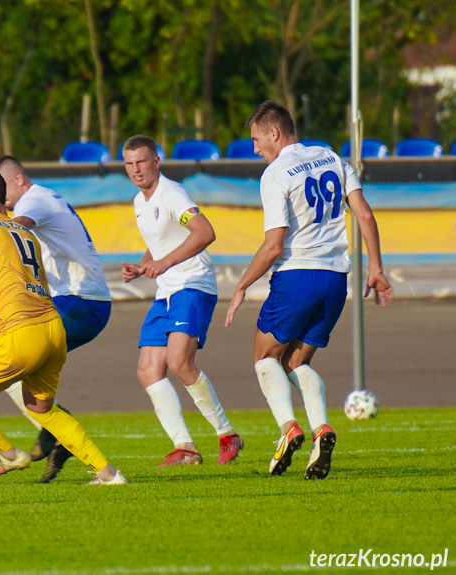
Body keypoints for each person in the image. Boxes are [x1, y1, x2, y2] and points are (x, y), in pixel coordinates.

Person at [225, 100, 394, 480]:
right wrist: (377, 269)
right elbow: (364, 214)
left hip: (297, 275)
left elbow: (273, 246)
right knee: (297, 362)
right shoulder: (332, 158)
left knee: (264, 356)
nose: (254, 149)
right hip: (336, 279)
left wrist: (240, 285)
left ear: (274, 132)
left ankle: (289, 428)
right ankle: (322, 430)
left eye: (255, 139)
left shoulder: (275, 174)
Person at [0, 168, 126, 486]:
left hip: (21, 336)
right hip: (53, 331)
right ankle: (108, 474)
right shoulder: (25, 234)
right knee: (42, 409)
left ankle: (10, 454)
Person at [0, 155, 112, 483]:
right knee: (18, 365)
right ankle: (55, 433)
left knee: (9, 356)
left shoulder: (35, 200)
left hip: (80, 301)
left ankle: (52, 432)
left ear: (17, 179)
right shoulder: (44, 197)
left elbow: (15, 231)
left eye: (1, 187)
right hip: (80, 302)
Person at [120, 135, 243, 467]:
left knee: (179, 363)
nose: (136, 169)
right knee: (147, 370)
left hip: (192, 283)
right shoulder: (138, 202)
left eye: (142, 162)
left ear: (156, 161)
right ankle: (185, 448)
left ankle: (227, 434)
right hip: (167, 289)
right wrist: (143, 263)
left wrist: (164, 263)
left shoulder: (172, 194)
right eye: (129, 164)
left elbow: (204, 233)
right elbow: (160, 243)